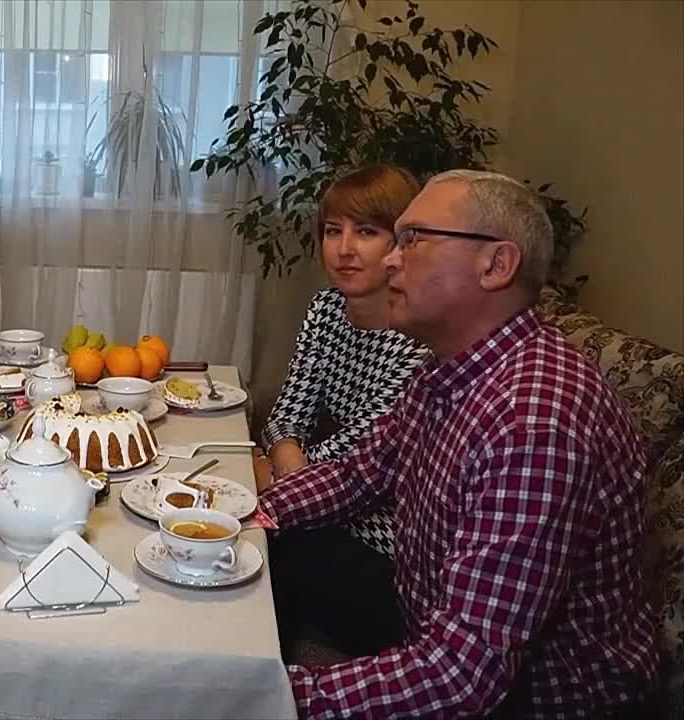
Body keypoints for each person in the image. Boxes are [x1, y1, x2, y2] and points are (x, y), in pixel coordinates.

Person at [259, 169, 657, 718]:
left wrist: (266, 697)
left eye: (413, 239)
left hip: (535, 702)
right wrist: (250, 514)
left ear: (495, 265)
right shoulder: (447, 369)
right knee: (270, 549)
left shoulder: (533, 420)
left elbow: (462, 675)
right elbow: (358, 476)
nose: (391, 259)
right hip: (433, 628)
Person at [256, 164, 429, 660]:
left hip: (388, 547)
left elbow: (359, 460)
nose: (344, 249)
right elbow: (287, 412)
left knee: (265, 548)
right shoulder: (327, 308)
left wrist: (276, 474)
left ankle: (258, 681)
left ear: (401, 245)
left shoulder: (419, 339)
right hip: (322, 502)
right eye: (333, 231)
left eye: (366, 232)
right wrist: (287, 459)